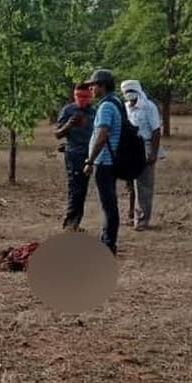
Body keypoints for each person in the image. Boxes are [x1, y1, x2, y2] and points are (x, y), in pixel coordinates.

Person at [83, 70, 124, 256]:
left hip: (105, 161)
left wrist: (90, 160)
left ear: (103, 85)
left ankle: (108, 244)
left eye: (93, 85)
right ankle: (107, 240)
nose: (91, 88)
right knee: (109, 203)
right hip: (110, 160)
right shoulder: (116, 101)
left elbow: (102, 135)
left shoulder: (106, 106)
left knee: (108, 205)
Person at [120, 80, 162, 231]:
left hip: (146, 146)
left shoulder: (149, 107)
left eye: (131, 90)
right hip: (130, 149)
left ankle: (143, 220)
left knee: (144, 185)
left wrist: (153, 153)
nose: (129, 94)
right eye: (126, 92)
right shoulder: (125, 108)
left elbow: (156, 131)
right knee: (131, 185)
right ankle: (132, 215)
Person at [54, 83, 95, 232]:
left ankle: (76, 223)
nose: (82, 100)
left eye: (85, 96)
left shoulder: (94, 111)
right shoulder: (68, 110)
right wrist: (69, 124)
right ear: (74, 96)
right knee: (75, 189)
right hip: (74, 155)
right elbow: (58, 134)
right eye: (79, 96)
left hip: (90, 155)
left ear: (90, 96)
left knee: (82, 190)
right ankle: (69, 224)